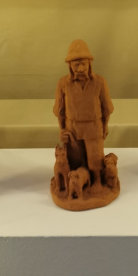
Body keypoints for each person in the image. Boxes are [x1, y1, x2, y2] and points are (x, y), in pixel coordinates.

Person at [53, 40, 114, 191]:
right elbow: (60, 110)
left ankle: (97, 181)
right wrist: (61, 129)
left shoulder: (99, 82)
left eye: (83, 64)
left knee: (95, 155)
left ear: (89, 64)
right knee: (74, 157)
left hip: (94, 126)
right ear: (70, 66)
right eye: (76, 65)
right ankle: (74, 182)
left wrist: (105, 126)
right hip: (72, 127)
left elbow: (106, 108)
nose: (80, 69)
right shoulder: (63, 83)